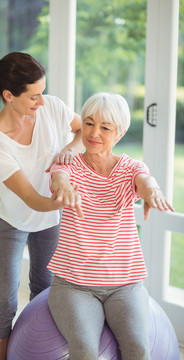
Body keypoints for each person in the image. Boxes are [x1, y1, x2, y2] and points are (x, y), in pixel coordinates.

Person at [0, 52, 83, 360]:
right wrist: (62, 199)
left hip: (48, 220)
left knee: (45, 292)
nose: (41, 101)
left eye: (42, 92)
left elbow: (82, 131)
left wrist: (70, 149)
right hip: (10, 220)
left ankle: (39, 355)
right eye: (34, 96)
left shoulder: (52, 107)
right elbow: (29, 198)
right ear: (8, 96)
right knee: (5, 301)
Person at [47, 92, 174, 360]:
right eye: (89, 123)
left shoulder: (130, 168)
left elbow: (144, 180)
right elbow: (59, 178)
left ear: (120, 133)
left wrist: (151, 192)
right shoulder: (68, 164)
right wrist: (64, 188)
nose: (94, 133)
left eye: (105, 127)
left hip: (124, 285)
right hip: (74, 285)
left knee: (139, 348)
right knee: (84, 351)